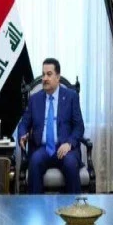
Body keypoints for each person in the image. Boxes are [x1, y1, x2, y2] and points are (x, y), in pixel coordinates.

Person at [17, 57, 85, 194]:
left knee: (71, 164)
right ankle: (35, 205)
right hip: (42, 149)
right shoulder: (34, 99)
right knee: (35, 162)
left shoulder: (71, 97)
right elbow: (23, 123)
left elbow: (79, 127)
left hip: (65, 148)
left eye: (49, 74)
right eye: (43, 74)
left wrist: (69, 144)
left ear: (58, 77)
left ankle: (74, 206)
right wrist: (22, 135)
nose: (45, 78)